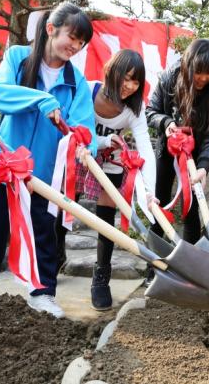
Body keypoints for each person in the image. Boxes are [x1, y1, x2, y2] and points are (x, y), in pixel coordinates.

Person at [0, 2, 97, 318]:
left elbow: (84, 126)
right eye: (72, 37)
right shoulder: (17, 58)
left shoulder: (76, 81)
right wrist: (42, 100)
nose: (75, 46)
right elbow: (0, 95)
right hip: (6, 162)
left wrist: (83, 144)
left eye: (81, 43)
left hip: (46, 173)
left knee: (45, 232)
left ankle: (42, 294)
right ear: (52, 29)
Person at [57, 49, 156, 310]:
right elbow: (71, 126)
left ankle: (101, 277)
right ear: (113, 71)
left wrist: (150, 192)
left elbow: (145, 148)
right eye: (127, 77)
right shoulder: (87, 91)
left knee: (106, 219)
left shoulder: (134, 108)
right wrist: (101, 141)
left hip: (110, 161)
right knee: (63, 205)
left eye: (136, 81)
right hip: (80, 155)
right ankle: (55, 253)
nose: (130, 86)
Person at [146, 39, 209, 245]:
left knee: (191, 209)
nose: (203, 78)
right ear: (189, 65)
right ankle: (152, 265)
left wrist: (204, 167)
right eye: (199, 71)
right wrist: (166, 122)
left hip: (195, 157)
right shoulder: (170, 78)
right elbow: (150, 111)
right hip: (168, 150)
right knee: (159, 203)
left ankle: (190, 267)